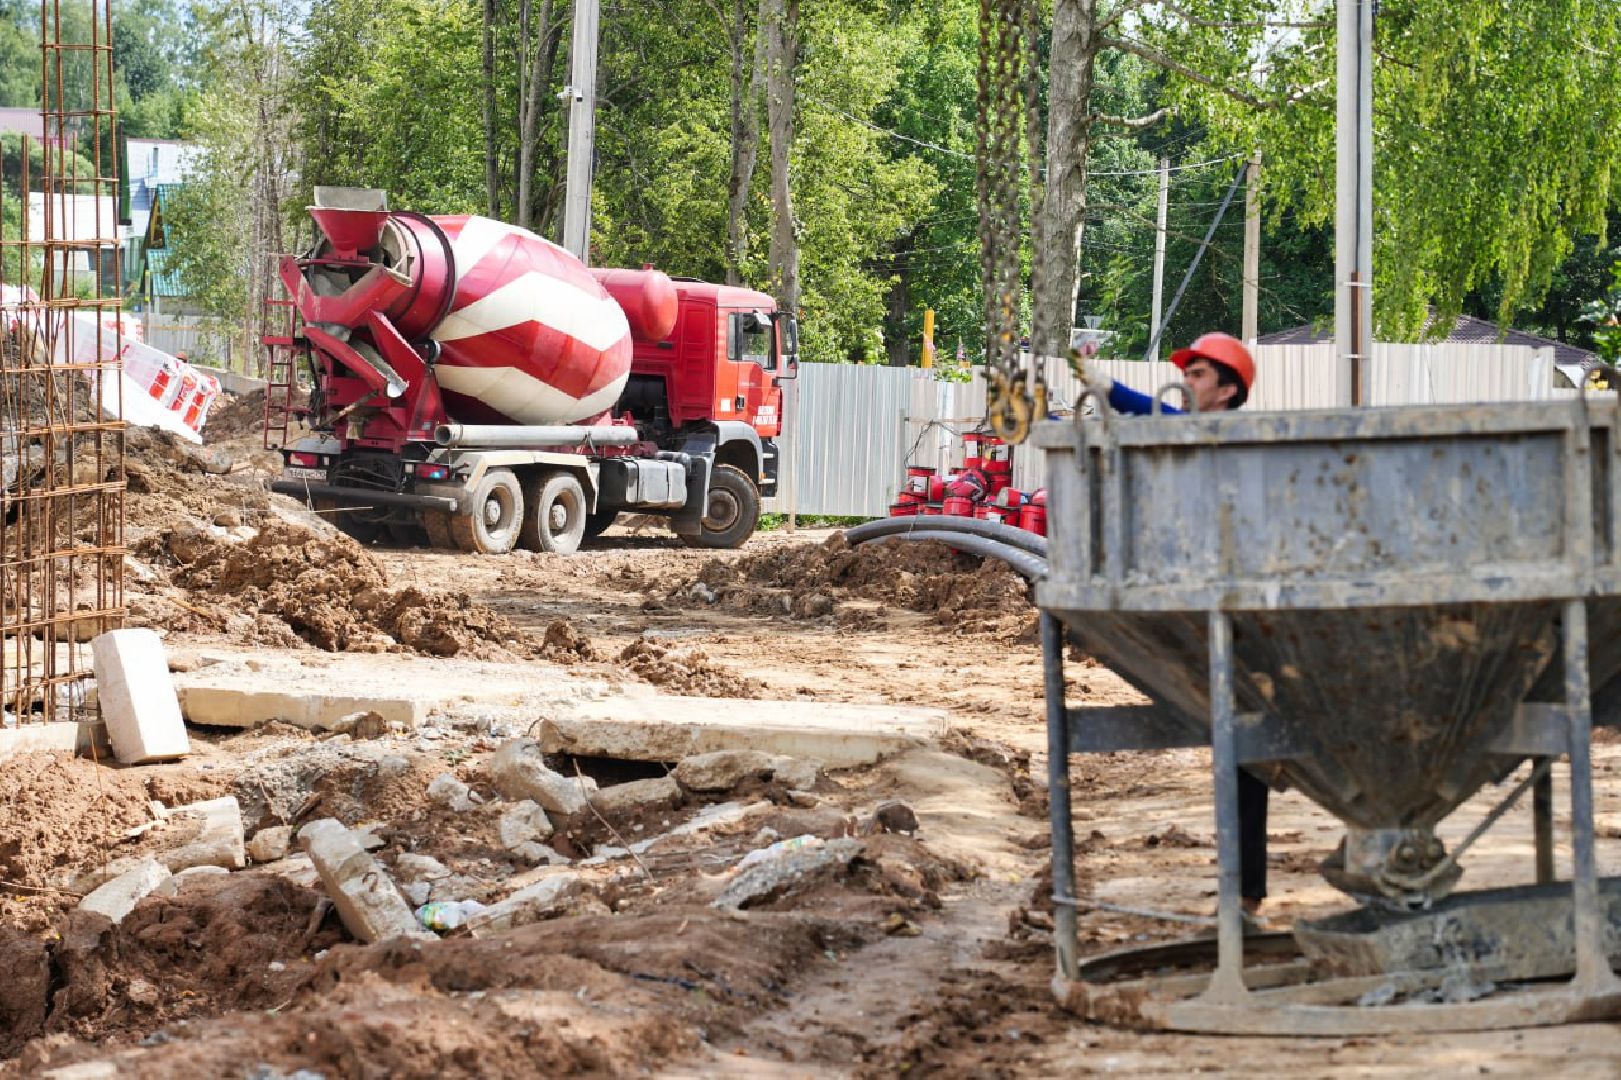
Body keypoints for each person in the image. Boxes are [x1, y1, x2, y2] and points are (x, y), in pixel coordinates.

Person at [1075, 332, 1269, 917]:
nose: (1188, 381)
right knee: (1238, 751)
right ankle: (1245, 893)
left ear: (1229, 391)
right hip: (1199, 603)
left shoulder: (1236, 437)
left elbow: (1153, 413)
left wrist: (1102, 385)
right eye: (1186, 372)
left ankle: (1247, 893)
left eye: (1201, 374)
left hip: (1244, 612)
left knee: (1247, 751)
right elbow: (1144, 414)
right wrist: (1088, 380)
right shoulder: (1182, 430)